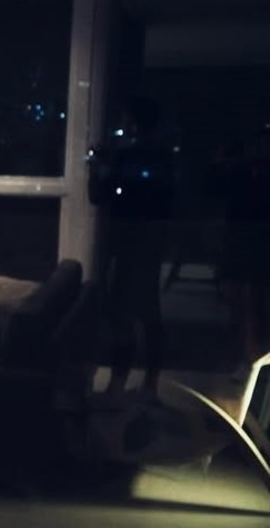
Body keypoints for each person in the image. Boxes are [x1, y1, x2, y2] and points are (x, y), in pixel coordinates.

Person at [88, 96, 174, 401]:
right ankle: (150, 383)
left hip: (128, 240)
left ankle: (117, 383)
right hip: (151, 238)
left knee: (120, 313)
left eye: (126, 120)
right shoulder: (164, 155)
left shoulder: (126, 156)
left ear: (134, 122)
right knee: (149, 311)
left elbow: (99, 195)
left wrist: (97, 167)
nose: (122, 125)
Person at [211, 127, 270, 377]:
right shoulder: (242, 173)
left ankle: (252, 358)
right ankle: (244, 357)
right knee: (240, 303)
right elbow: (215, 188)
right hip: (241, 242)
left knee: (254, 304)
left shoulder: (252, 174)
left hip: (258, 244)